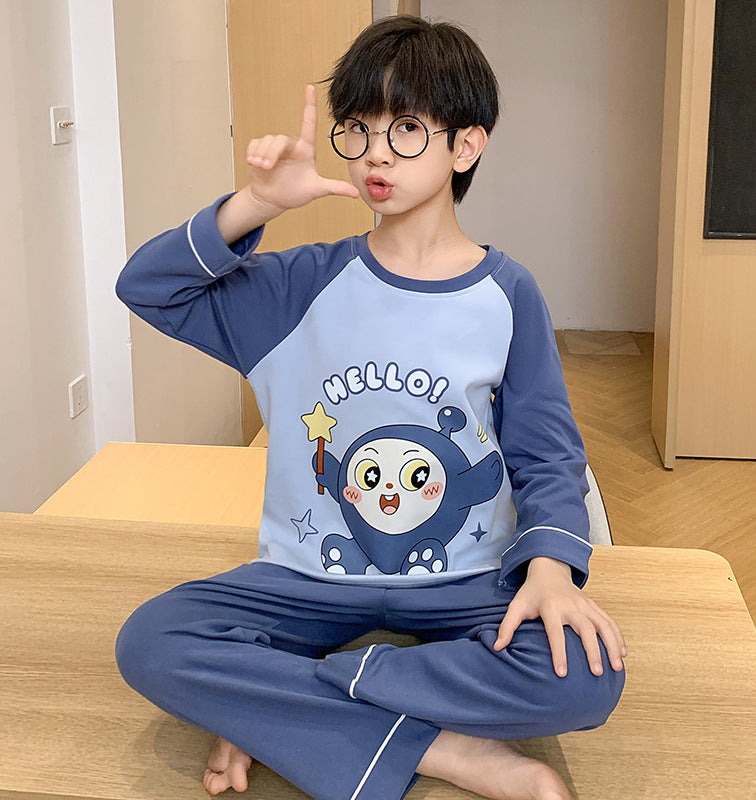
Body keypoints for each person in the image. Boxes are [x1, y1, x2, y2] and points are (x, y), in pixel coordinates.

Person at [114, 14, 627, 800]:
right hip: (306, 578)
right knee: (151, 642)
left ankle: (277, 696)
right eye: (357, 128)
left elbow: (545, 450)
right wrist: (253, 204)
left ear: (467, 145)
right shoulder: (297, 287)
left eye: (407, 128)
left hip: (466, 580)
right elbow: (149, 287)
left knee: (585, 675)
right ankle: (446, 749)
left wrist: (553, 572)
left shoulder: (506, 292)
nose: (374, 152)